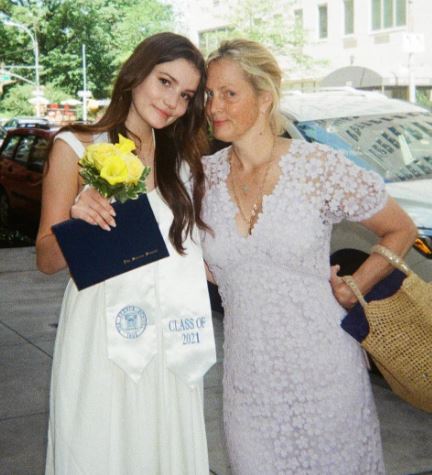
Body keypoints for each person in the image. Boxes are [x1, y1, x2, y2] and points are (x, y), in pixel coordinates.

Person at [200, 39, 417, 474]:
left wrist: (358, 285)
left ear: (265, 99)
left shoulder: (318, 167)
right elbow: (195, 265)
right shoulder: (201, 178)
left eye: (228, 93)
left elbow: (401, 229)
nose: (213, 106)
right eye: (208, 94)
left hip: (325, 370)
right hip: (249, 378)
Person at [36, 32, 216, 475]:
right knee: (100, 447)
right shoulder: (76, 147)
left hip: (173, 337)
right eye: (165, 82)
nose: (173, 101)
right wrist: (78, 219)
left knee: (163, 448)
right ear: (136, 74)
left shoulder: (185, 163)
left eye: (186, 94)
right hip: (101, 333)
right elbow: (45, 259)